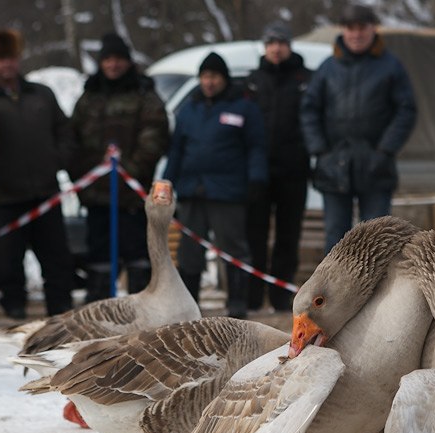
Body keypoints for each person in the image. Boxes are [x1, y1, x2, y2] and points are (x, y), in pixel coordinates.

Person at [300, 4, 417, 253]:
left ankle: (378, 292)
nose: (356, 34)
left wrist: (385, 150)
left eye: (362, 28)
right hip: (334, 167)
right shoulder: (327, 68)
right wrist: (320, 151)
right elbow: (309, 109)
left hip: (376, 166)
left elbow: (406, 110)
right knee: (335, 238)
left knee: (377, 239)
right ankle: (335, 293)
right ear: (343, 31)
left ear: (373, 29)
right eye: (350, 28)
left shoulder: (391, 67)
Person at [164, 52, 267, 319]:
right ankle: (190, 307)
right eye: (205, 77)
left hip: (227, 191)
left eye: (214, 77)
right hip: (191, 190)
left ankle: (236, 303)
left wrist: (257, 177)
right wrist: (166, 182)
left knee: (233, 248)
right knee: (188, 252)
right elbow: (176, 150)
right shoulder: (189, 109)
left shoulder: (243, 107)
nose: (209, 82)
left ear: (224, 79)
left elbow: (256, 147)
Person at [69, 32, 169, 303]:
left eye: (119, 59)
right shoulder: (89, 97)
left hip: (132, 197)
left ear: (128, 62)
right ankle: (98, 308)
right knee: (98, 257)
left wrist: (131, 171)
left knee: (138, 256)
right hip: (96, 197)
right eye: (108, 60)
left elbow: (155, 135)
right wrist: (84, 177)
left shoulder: (144, 94)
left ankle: (142, 309)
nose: (113, 65)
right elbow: (72, 139)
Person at [0, 29, 75, 319]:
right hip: (4, 197)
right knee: (9, 262)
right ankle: (14, 310)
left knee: (57, 258)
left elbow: (64, 130)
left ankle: (60, 312)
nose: (6, 65)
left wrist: (57, 159)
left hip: (45, 193)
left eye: (10, 58)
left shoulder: (41, 94)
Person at [245, 21, 311, 312]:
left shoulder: (305, 78)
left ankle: (281, 295)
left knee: (288, 235)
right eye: (271, 43)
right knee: (254, 234)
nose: (276, 48)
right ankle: (253, 294)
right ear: (264, 46)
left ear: (289, 46)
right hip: (258, 171)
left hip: (293, 170)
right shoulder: (252, 80)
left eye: (281, 43)